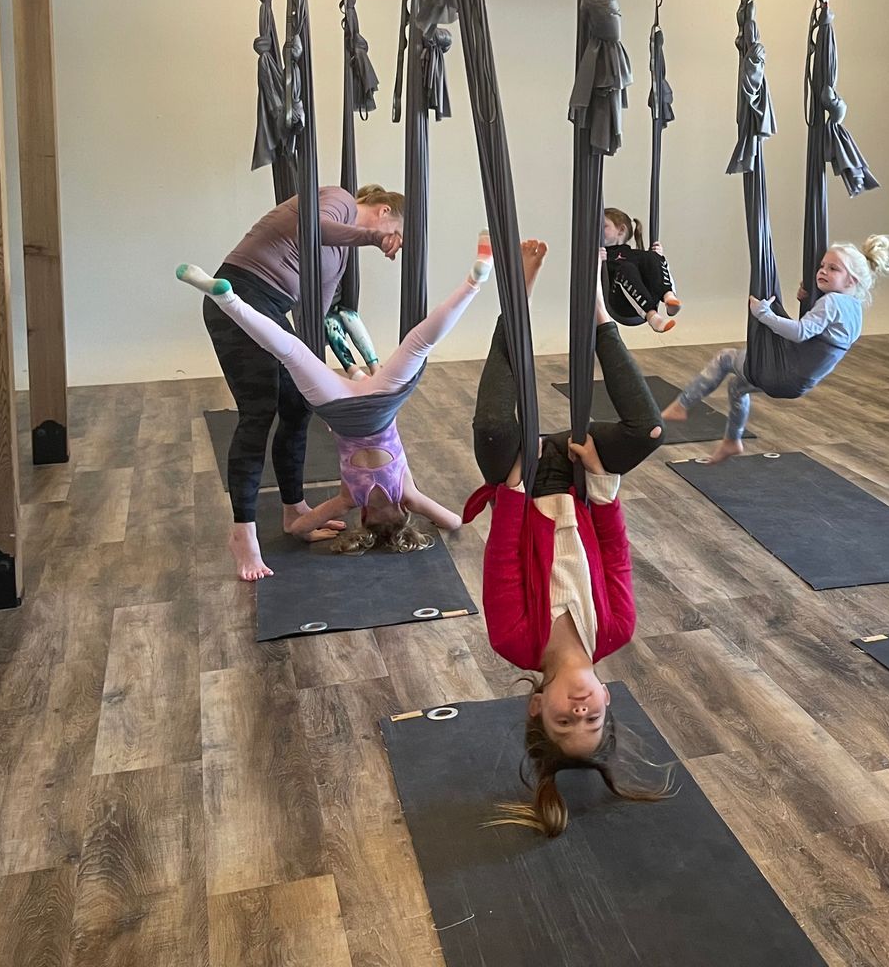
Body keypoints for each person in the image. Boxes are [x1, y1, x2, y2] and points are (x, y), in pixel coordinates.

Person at [459, 241, 673, 838]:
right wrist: (601, 480)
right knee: (648, 430)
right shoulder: (618, 628)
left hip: (520, 486)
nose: (580, 713)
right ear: (607, 699)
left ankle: (515, 303)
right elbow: (617, 554)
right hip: (579, 479)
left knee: (496, 427)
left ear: (538, 708)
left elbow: (501, 563)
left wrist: (511, 489)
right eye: (593, 721)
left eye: (564, 723)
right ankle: (602, 320)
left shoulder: (514, 641)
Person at [178, 233, 488, 567]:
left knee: (419, 343)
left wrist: (416, 513)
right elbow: (298, 529)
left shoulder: (407, 494)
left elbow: (454, 521)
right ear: (364, 514)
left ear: (402, 511)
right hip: (337, 409)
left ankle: (475, 280)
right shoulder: (349, 499)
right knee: (288, 349)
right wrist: (311, 525)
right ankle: (230, 301)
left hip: (381, 405)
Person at [201, 184, 403, 580]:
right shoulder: (338, 199)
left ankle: (295, 508)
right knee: (258, 414)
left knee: (297, 407)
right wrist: (373, 238)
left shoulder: (341, 255)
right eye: (395, 230)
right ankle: (242, 533)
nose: (393, 242)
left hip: (272, 308)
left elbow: (318, 321)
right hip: (239, 296)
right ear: (382, 211)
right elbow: (316, 228)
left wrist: (335, 388)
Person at [663, 235, 889, 464]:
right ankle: (732, 441)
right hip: (799, 384)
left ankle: (682, 405)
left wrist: (764, 314)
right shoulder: (854, 309)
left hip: (782, 373)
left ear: (851, 281)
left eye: (833, 269)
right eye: (822, 266)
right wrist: (805, 300)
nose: (822, 271)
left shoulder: (831, 302)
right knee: (737, 387)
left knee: (725, 358)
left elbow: (800, 333)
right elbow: (821, 337)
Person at [600, 207, 680, 333]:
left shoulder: (636, 254)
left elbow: (654, 269)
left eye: (603, 226)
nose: (597, 231)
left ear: (621, 230)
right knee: (626, 268)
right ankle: (652, 316)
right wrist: (598, 262)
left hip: (647, 296)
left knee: (652, 257)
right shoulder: (602, 256)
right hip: (621, 303)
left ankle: (668, 296)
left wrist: (658, 256)